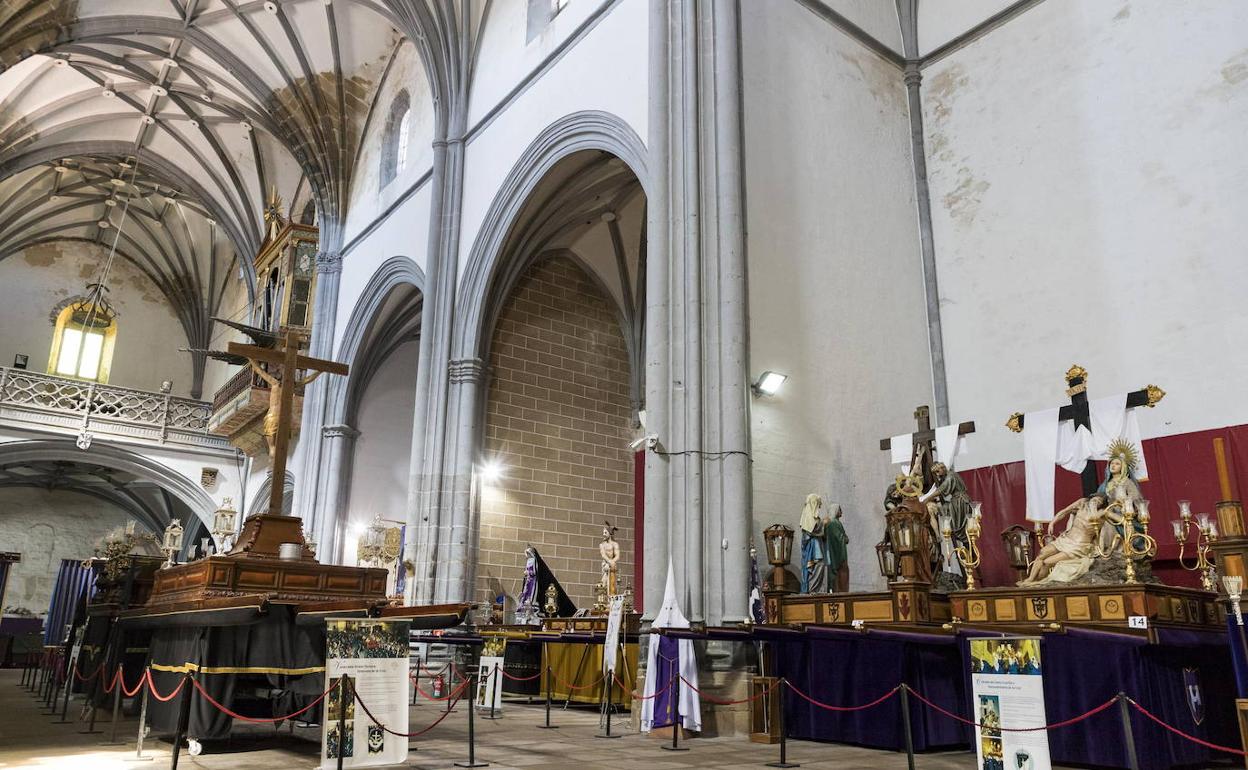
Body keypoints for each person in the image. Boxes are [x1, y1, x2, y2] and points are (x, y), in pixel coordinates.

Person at [1018, 494, 1111, 585]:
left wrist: (1121, 514)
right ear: (1091, 499)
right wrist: (1052, 522)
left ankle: (1038, 583)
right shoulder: (1082, 503)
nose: (1095, 502)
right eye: (1095, 499)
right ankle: (1030, 580)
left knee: (1046, 562)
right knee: (1042, 554)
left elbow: (1116, 518)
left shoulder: (1101, 513)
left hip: (1078, 546)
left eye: (1099, 502)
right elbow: (1065, 511)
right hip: (1065, 539)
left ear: (1102, 505)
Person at [799, 494, 829, 593]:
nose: (819, 507)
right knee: (816, 567)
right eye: (818, 504)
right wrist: (824, 523)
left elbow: (818, 532)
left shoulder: (815, 518)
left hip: (817, 549)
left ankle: (817, 591)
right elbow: (813, 530)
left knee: (820, 566)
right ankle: (812, 590)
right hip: (812, 551)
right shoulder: (808, 518)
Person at [825, 504, 850, 592]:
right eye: (840, 510)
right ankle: (839, 591)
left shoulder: (836, 522)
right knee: (841, 572)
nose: (841, 512)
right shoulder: (833, 523)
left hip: (839, 552)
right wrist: (845, 538)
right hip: (837, 554)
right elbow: (839, 538)